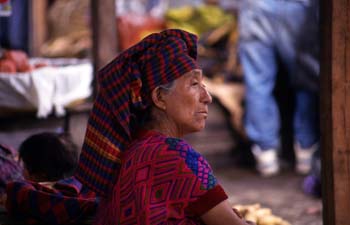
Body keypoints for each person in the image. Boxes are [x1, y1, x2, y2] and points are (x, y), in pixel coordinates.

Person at [74, 29, 254, 225]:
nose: (207, 97)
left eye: (203, 84)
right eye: (194, 84)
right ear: (159, 97)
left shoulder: (133, 150)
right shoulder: (177, 155)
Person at [237, 0, 320, 176]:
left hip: (255, 6)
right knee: (305, 77)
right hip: (297, 7)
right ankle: (306, 150)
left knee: (257, 82)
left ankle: (265, 154)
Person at [5, 132, 98, 224]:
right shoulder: (90, 188)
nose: (22, 171)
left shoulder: (26, 196)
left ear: (40, 175)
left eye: (24, 166)